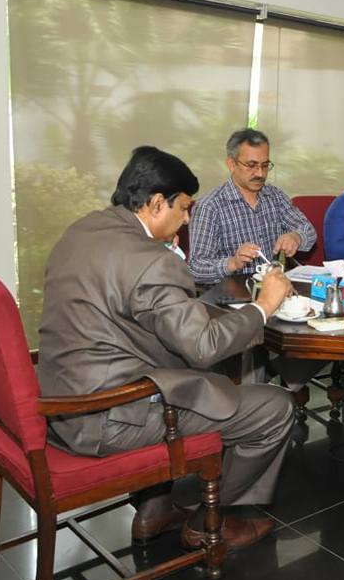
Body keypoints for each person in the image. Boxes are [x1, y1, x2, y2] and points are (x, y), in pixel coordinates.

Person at [38, 146, 296, 550]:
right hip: (109, 416)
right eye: (185, 208)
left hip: (62, 402)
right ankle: (209, 519)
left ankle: (154, 510)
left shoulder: (83, 230)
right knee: (275, 407)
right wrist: (264, 306)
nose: (188, 219)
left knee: (196, 377)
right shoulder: (150, 261)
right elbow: (203, 345)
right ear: (158, 203)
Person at [188, 128, 316, 285]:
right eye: (251, 165)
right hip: (233, 291)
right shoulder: (209, 206)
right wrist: (232, 263)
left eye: (265, 165)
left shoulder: (275, 196)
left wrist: (296, 237)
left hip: (274, 287)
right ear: (232, 164)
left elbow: (308, 230)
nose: (260, 173)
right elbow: (196, 268)